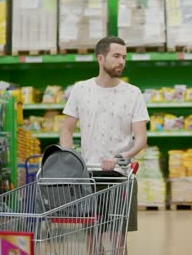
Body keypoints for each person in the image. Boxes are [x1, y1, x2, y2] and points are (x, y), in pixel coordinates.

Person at [59, 36, 149, 254]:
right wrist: (71, 160)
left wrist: (120, 157)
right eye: (116, 56)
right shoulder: (81, 90)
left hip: (119, 177)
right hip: (88, 176)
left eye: (124, 57)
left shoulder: (133, 93)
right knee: (92, 240)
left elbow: (141, 140)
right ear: (100, 58)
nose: (122, 61)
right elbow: (66, 130)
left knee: (118, 240)